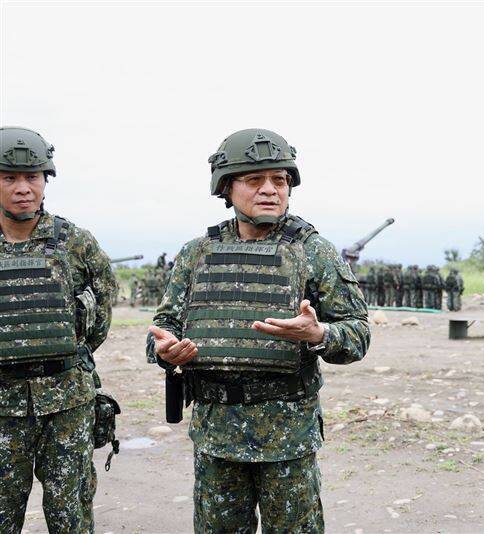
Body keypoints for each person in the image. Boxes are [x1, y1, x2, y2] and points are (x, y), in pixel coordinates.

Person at [146, 128, 370, 532]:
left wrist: (318, 335)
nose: (270, 190)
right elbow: (162, 327)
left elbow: (357, 333)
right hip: (216, 435)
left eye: (279, 180)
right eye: (255, 180)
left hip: (287, 436)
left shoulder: (313, 251)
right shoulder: (197, 253)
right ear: (226, 187)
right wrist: (164, 348)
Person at [0, 126, 116, 532]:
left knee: (71, 517)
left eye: (32, 176)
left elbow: (99, 318)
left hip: (67, 403)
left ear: (45, 179)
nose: (23, 188)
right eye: (9, 177)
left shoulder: (76, 243)